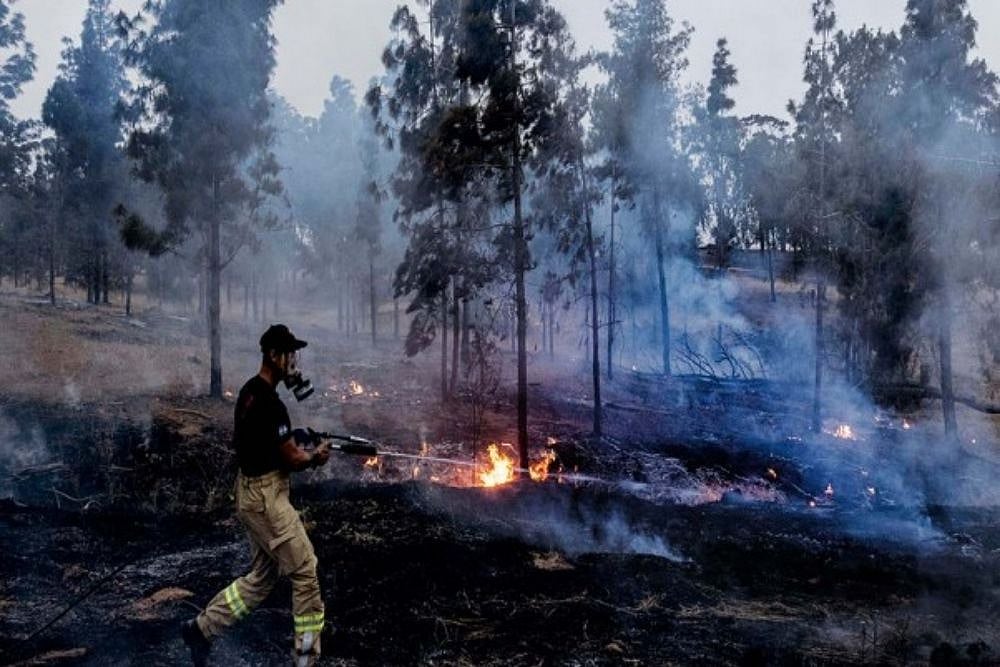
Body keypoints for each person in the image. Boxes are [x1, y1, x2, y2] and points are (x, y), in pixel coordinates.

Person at [182, 324, 331, 667]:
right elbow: (292, 459)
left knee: (263, 577)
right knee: (306, 571)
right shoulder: (271, 404)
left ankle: (201, 630)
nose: (294, 361)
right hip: (267, 500)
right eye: (290, 355)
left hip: (250, 494)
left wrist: (295, 435)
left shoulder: (250, 392)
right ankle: (307, 660)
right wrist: (315, 457)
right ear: (274, 356)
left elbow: (262, 440)